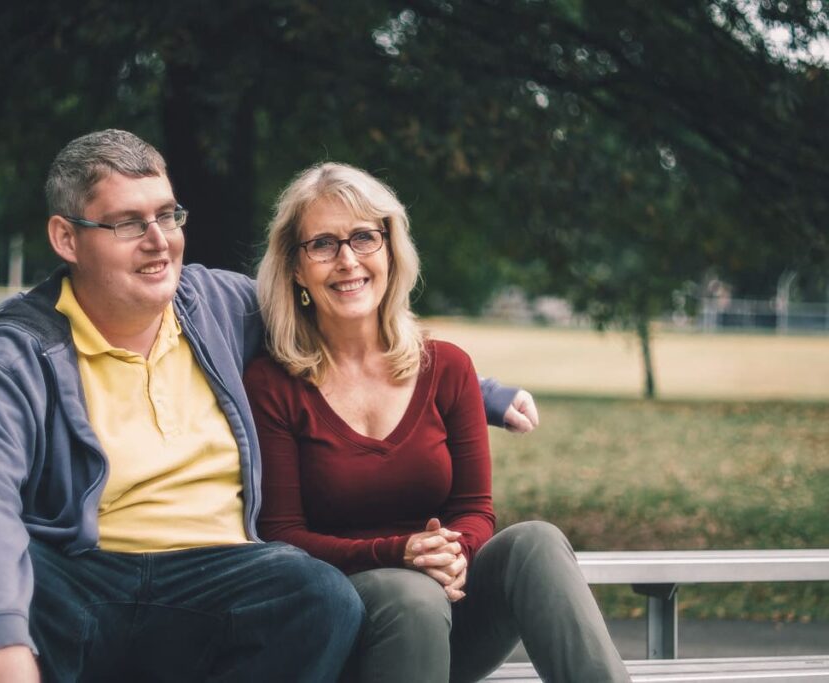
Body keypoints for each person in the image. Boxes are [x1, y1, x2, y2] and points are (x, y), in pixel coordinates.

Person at [0, 130, 368, 683]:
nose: (159, 241)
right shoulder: (23, 352)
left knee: (318, 595)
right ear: (67, 238)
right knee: (10, 580)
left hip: (220, 580)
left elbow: (358, 339)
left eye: (168, 215)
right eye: (129, 223)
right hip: (83, 580)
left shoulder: (219, 306)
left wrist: (484, 391)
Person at [244, 162, 630, 682]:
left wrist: (450, 553)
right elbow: (283, 537)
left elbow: (474, 511)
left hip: (446, 619)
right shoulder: (274, 384)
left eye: (364, 238)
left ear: (390, 249)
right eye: (323, 244)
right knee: (410, 592)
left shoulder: (447, 367)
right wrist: (399, 554)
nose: (348, 260)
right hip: (341, 633)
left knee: (536, 542)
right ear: (295, 267)